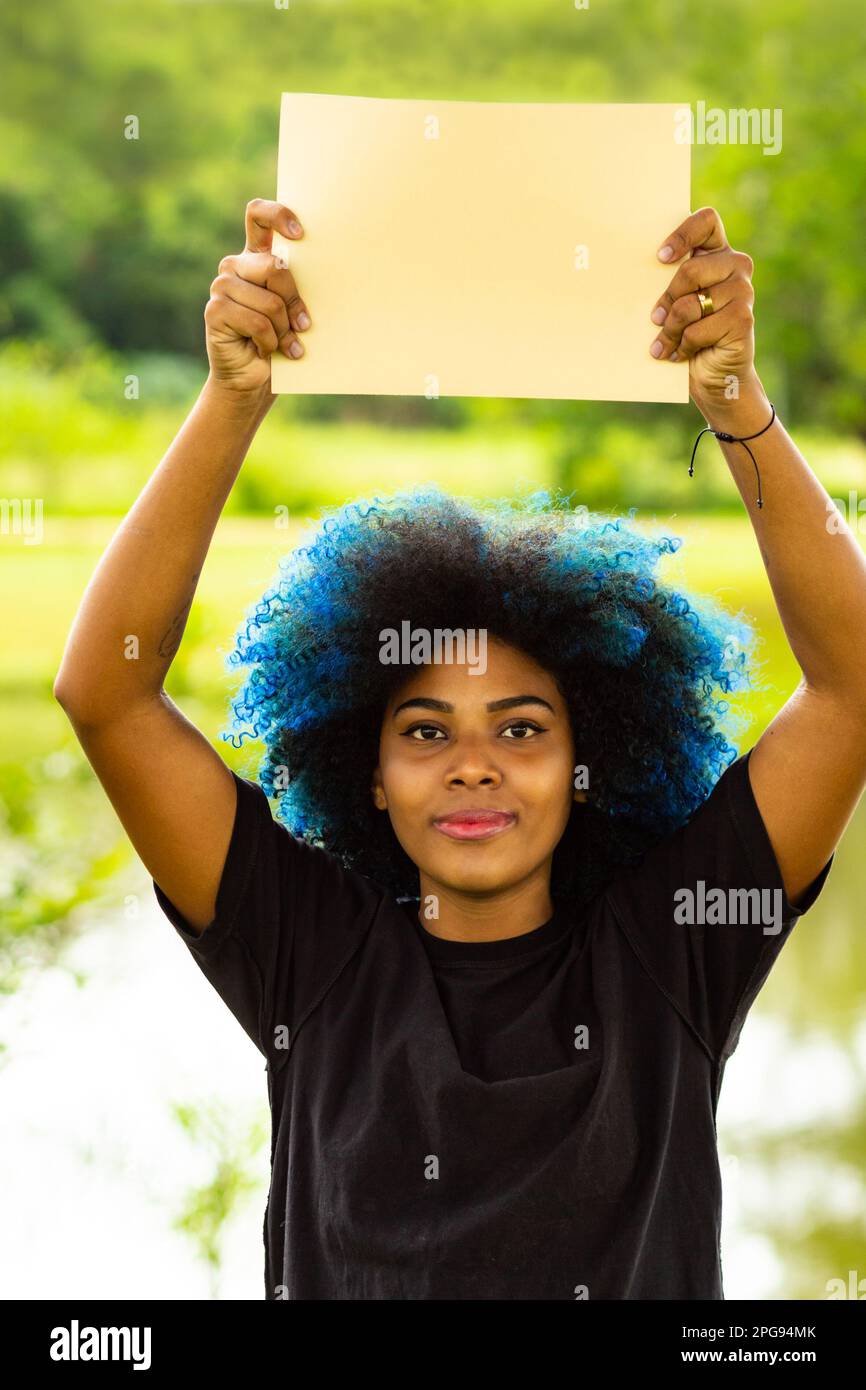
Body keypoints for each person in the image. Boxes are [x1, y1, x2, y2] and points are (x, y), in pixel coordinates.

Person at [54, 198, 865, 1301]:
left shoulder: (670, 948)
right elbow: (106, 694)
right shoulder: (310, 951)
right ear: (369, 779)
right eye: (424, 731)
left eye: (522, 730)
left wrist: (730, 397)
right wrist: (232, 398)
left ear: (594, 762)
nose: (471, 764)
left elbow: (849, 688)